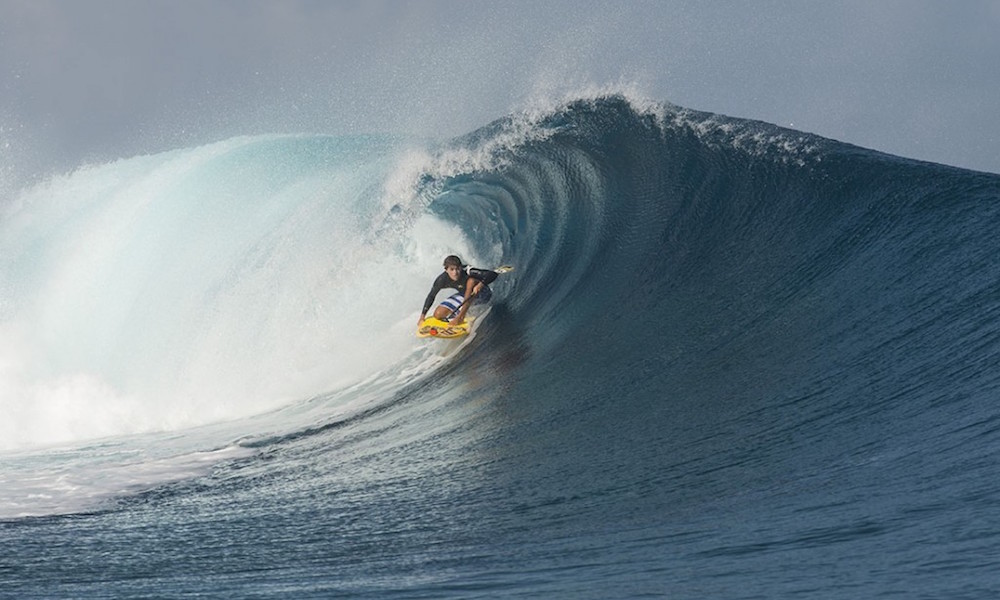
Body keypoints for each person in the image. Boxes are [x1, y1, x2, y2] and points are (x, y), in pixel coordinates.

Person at [419, 255, 498, 326]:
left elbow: (492, 274)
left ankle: (461, 317)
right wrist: (422, 317)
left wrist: (480, 285)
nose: (455, 273)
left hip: (483, 294)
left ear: (460, 267)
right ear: (446, 270)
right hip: (465, 295)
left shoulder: (468, 270)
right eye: (452, 269)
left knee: (471, 281)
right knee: (438, 314)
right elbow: (431, 295)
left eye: (457, 269)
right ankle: (457, 314)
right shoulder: (442, 280)